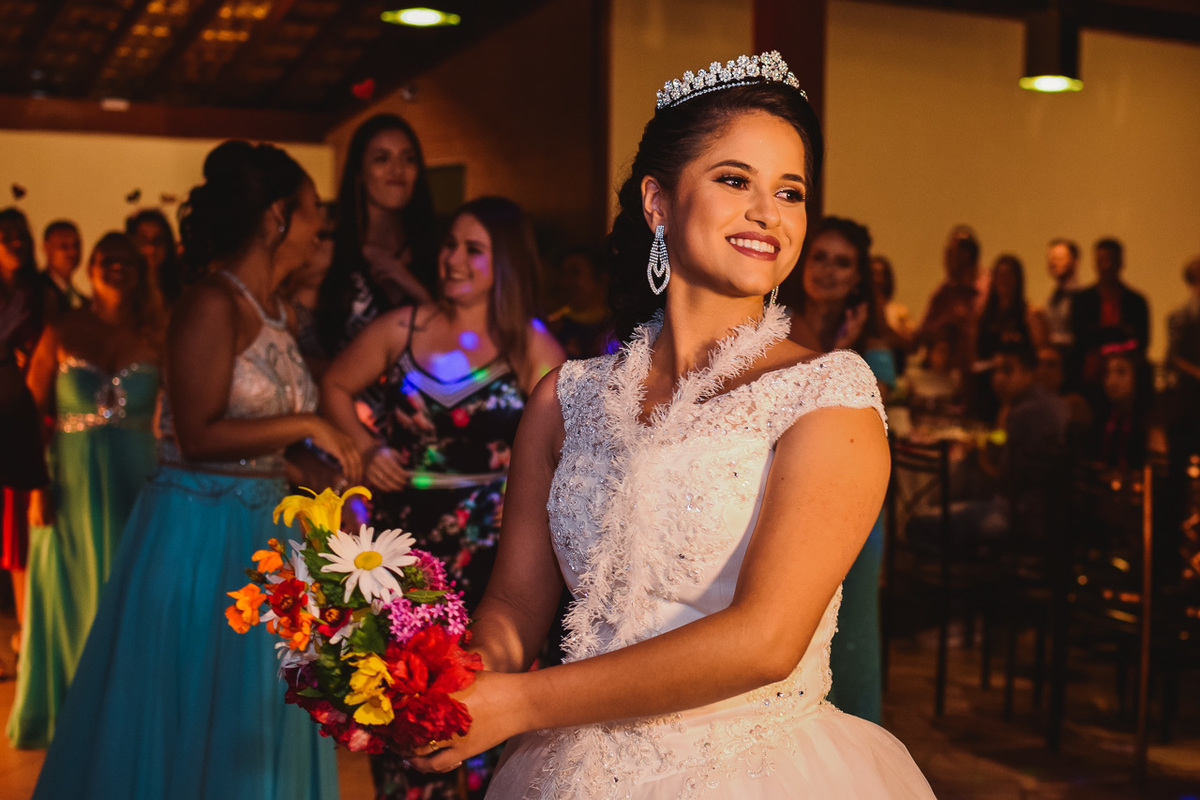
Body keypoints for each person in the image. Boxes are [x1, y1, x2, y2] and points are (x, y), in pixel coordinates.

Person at [405, 52, 935, 799]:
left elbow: (765, 641)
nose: (768, 213)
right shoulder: (565, 398)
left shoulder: (828, 395)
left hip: (754, 770)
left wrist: (520, 703)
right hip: (567, 773)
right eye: (734, 179)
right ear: (658, 202)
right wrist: (455, 681)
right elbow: (515, 607)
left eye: (790, 191)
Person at [31, 141, 357, 800]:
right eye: (310, 208)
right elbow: (201, 430)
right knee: (194, 705)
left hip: (264, 529)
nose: (320, 223)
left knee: (256, 711)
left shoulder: (276, 313)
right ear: (275, 218)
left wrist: (310, 472)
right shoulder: (210, 302)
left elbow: (252, 435)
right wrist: (308, 426)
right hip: (200, 533)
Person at [322, 196, 565, 799]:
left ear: (504, 262)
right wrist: (367, 447)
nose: (453, 259)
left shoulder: (533, 346)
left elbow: (577, 442)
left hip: (498, 551)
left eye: (472, 249)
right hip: (405, 544)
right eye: (449, 244)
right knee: (403, 698)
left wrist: (535, 491)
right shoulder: (401, 327)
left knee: (482, 702)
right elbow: (333, 385)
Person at [7, 233, 160, 748]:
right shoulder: (64, 328)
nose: (115, 267)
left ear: (139, 270)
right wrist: (35, 487)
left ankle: (127, 711)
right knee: (72, 592)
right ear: (92, 267)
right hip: (69, 479)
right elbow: (29, 413)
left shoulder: (157, 335)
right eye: (106, 259)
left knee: (130, 590)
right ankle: (73, 710)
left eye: (125, 260)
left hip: (138, 477)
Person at [781, 214, 893, 724]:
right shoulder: (774, 324)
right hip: (781, 492)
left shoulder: (872, 345)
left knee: (851, 628)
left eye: (842, 263)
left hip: (851, 504)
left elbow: (865, 421)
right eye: (820, 257)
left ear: (858, 277)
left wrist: (844, 351)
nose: (827, 270)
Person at [1, 207, 49, 663]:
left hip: (22, 417)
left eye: (21, 233)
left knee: (17, 531)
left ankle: (28, 632)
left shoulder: (40, 296)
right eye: (6, 234)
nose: (15, 241)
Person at [1068, 237, 1150, 397]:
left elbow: (1142, 341)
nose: (1106, 266)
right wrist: (1120, 332)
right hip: (1089, 377)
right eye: (1102, 260)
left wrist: (1099, 333)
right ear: (1095, 263)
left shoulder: (1136, 301)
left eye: (1110, 260)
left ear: (1120, 262)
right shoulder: (1082, 300)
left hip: (1127, 380)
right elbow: (1080, 338)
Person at [971, 254, 1037, 421]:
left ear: (1017, 279)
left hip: (1014, 388)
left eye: (1008, 275)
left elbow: (1037, 351)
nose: (1003, 280)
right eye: (999, 275)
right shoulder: (985, 315)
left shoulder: (1027, 314)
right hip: (985, 383)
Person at [547, 246, 614, 359]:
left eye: (574, 273)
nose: (565, 283)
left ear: (601, 279)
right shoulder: (553, 328)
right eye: (563, 274)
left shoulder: (616, 327)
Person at [126, 208, 184, 311]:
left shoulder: (182, 290)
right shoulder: (123, 294)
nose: (151, 247)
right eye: (143, 240)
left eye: (158, 240)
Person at [1035, 238, 1079, 353]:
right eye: (1051, 259)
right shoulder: (1053, 296)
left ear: (1074, 261)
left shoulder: (1081, 297)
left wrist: (1051, 340)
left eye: (1059, 259)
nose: (1053, 263)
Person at [871, 254, 915, 368]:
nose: (876, 279)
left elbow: (911, 344)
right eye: (872, 274)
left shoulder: (899, 312)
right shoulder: (857, 311)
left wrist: (888, 331)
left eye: (880, 274)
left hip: (891, 365)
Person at [37, 219, 83, 316]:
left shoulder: (83, 301)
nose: (73, 252)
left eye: (76, 245)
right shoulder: (35, 292)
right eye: (64, 246)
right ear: (47, 248)